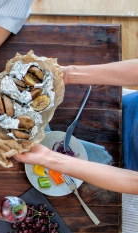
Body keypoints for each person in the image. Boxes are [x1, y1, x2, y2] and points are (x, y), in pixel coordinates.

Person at [14, 59, 138, 194]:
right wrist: (67, 74)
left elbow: (133, 182)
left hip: (122, 166)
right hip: (125, 108)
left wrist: (48, 158)